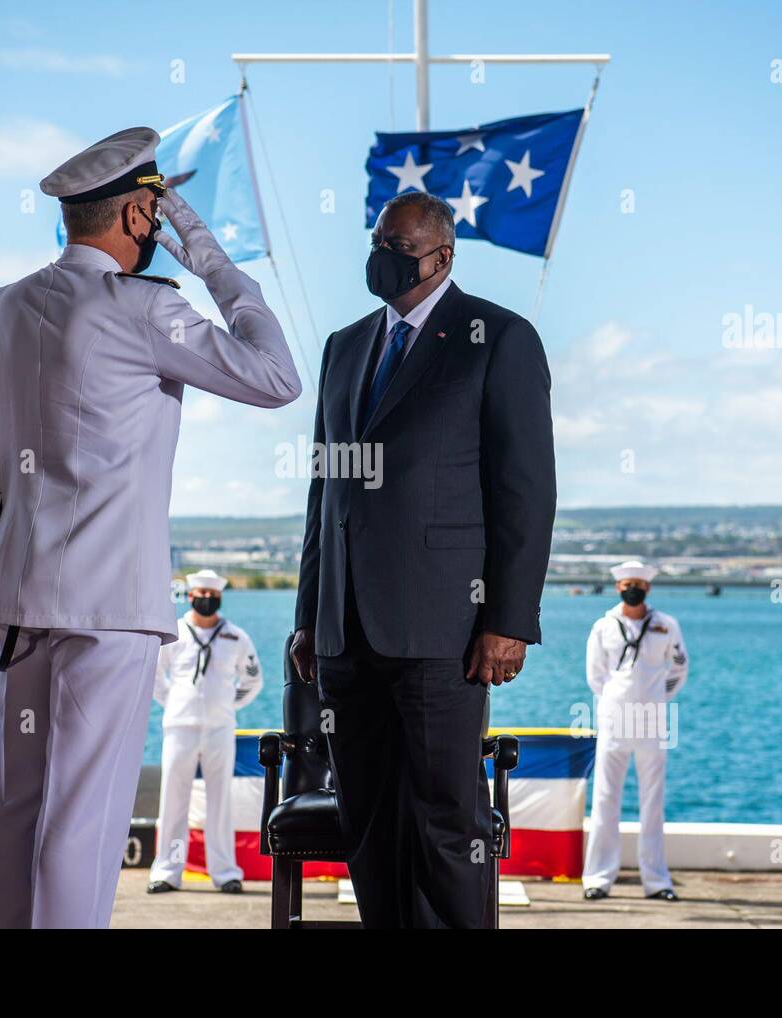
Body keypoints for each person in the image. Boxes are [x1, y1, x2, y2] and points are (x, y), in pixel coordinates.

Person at [0, 126, 300, 929]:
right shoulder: (146, 310)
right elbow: (277, 377)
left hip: (16, 604)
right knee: (84, 822)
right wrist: (207, 256)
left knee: (20, 810)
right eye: (158, 212)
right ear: (143, 216)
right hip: (109, 612)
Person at [289, 191, 556, 928]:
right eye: (378, 242)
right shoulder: (343, 346)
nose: (385, 258)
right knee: (367, 823)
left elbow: (525, 493)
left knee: (447, 825)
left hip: (447, 629)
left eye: (400, 248)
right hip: (346, 630)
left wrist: (509, 619)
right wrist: (311, 616)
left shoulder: (498, 338)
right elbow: (325, 493)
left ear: (443, 256)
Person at [146, 569, 263, 895]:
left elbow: (253, 681)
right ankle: (167, 871)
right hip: (179, 726)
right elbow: (155, 675)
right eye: (201, 595)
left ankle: (226, 873)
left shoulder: (236, 637)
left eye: (212, 596)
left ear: (219, 598)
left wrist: (227, 704)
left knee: (220, 800)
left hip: (219, 728)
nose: (206, 601)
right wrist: (174, 703)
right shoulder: (175, 634)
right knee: (173, 799)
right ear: (191, 596)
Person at [581, 560, 689, 901]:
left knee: (653, 800)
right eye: (628, 584)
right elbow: (595, 676)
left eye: (639, 584)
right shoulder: (603, 626)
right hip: (614, 720)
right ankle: (597, 879)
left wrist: (657, 696)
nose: (634, 589)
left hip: (653, 721)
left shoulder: (665, 625)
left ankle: (657, 882)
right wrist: (617, 701)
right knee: (605, 798)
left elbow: (680, 668)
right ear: (617, 587)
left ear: (648, 588)